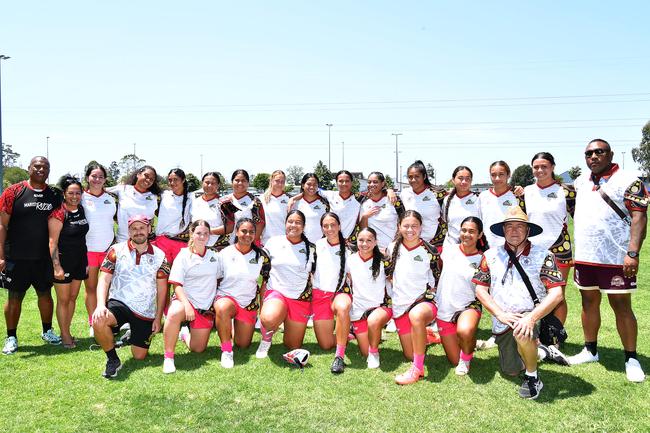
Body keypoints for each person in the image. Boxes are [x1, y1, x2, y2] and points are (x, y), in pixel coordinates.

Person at [568, 139, 648, 383]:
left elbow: (639, 218)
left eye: (599, 152)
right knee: (588, 302)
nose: (593, 156)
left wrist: (632, 252)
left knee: (621, 306)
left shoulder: (628, 180)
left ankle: (631, 358)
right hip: (586, 256)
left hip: (615, 257)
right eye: (589, 153)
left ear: (610, 154)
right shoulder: (580, 182)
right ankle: (590, 350)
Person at [473, 206, 564, 399]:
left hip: (531, 316)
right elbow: (480, 289)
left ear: (528, 230)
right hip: (503, 320)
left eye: (520, 227)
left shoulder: (544, 255)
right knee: (511, 370)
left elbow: (556, 294)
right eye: (509, 227)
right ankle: (540, 352)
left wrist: (530, 318)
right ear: (503, 230)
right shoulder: (490, 255)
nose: (514, 231)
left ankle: (533, 377)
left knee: (523, 332)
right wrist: (500, 314)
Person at [92, 215, 169, 379]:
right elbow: (104, 279)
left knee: (139, 356)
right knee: (98, 319)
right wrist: (100, 305)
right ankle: (113, 359)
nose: (138, 231)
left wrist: (157, 318)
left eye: (142, 228)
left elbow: (162, 290)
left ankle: (131, 336)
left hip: (144, 310)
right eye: (134, 228)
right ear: (129, 231)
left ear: (149, 229)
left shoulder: (160, 256)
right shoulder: (116, 250)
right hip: (119, 302)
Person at [1, 156, 63, 355]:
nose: (41, 169)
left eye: (45, 167)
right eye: (37, 166)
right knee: (14, 297)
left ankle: (47, 331)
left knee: (45, 295)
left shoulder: (54, 194)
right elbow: (2, 225)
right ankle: (11, 337)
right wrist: (1, 255)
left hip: (43, 257)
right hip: (17, 257)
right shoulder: (13, 192)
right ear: (28, 168)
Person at [386, 210, 442, 385]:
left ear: (421, 227)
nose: (410, 230)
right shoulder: (392, 247)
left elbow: (438, 279)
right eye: (406, 225)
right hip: (401, 305)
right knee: (409, 354)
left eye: (414, 226)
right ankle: (428, 335)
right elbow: (388, 275)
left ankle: (417, 369)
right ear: (399, 226)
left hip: (423, 302)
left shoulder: (430, 250)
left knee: (416, 317)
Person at [523, 152, 575, 325]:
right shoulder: (526, 192)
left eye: (544, 166)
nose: (540, 170)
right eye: (536, 167)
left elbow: (581, 219)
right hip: (532, 249)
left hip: (559, 248)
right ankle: (537, 332)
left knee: (557, 295)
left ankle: (555, 338)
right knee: (535, 292)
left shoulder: (567, 191)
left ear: (552, 167)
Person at [163, 220, 221, 373]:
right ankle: (168, 357)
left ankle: (184, 334)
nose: (202, 237)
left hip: (204, 307)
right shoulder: (183, 255)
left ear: (209, 236)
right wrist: (187, 306)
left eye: (205, 234)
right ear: (191, 234)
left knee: (198, 349)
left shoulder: (214, 256)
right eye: (198, 233)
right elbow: (177, 285)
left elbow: (220, 278)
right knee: (174, 312)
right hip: (185, 302)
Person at [255, 210, 316, 358]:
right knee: (269, 318)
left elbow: (314, 277)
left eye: (298, 222)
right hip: (277, 293)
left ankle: (286, 321)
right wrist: (262, 310)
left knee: (293, 345)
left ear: (304, 226)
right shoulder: (274, 242)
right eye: (290, 221)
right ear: (285, 223)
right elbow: (264, 274)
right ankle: (266, 339)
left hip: (299, 298)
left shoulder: (312, 248)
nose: (293, 225)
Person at [214, 218, 270, 368]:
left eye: (251, 232)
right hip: (227, 297)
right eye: (244, 231)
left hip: (248, 303)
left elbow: (264, 283)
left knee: (243, 344)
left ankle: (230, 325)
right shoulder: (224, 253)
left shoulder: (261, 256)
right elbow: (216, 279)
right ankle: (226, 351)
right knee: (223, 308)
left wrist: (262, 310)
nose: (248, 234)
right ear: (237, 232)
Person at [435, 217, 486, 375]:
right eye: (464, 230)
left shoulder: (484, 259)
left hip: (468, 306)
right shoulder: (448, 250)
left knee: (464, 332)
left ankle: (467, 349)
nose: (466, 234)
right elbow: (437, 268)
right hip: (445, 309)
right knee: (454, 360)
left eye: (472, 231)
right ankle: (470, 342)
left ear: (479, 235)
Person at [48, 175, 89, 349]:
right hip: (63, 262)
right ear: (64, 194)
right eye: (71, 193)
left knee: (72, 298)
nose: (75, 196)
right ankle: (64, 335)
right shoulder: (58, 213)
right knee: (63, 300)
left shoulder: (81, 209)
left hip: (80, 260)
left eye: (78, 193)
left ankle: (68, 330)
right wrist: (57, 266)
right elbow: (52, 242)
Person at [311, 213, 352, 374]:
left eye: (333, 225)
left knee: (343, 308)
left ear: (339, 226)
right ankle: (347, 332)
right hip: (319, 296)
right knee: (325, 344)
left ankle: (339, 356)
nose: (329, 229)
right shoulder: (318, 244)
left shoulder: (349, 249)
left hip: (339, 294)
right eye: (325, 226)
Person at [347, 227, 392, 369]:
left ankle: (374, 352)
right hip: (359, 310)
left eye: (369, 240)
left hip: (380, 307)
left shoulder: (384, 260)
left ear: (375, 242)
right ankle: (371, 335)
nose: (364, 244)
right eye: (361, 240)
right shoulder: (350, 260)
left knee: (373, 322)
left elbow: (392, 280)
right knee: (363, 351)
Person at [82, 163, 117, 337]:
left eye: (100, 177)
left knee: (108, 289)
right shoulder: (80, 196)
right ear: (88, 177)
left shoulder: (110, 198)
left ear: (105, 179)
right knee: (90, 288)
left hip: (108, 250)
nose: (97, 180)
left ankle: (107, 320)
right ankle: (92, 322)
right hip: (88, 250)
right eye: (94, 176)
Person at [107, 165, 161, 243]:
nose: (148, 180)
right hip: (123, 241)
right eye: (146, 176)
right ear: (138, 174)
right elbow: (100, 190)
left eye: (151, 179)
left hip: (144, 243)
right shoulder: (123, 189)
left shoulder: (155, 196)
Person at [401, 160, 446, 244]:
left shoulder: (438, 193)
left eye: (417, 176)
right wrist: (388, 190)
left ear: (424, 176)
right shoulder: (404, 194)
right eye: (410, 177)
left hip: (435, 242)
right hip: (411, 241)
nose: (413, 180)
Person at [154, 168, 193, 264]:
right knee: (162, 274)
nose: (172, 182)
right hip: (162, 240)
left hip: (181, 242)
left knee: (178, 275)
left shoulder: (191, 198)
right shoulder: (163, 195)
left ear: (183, 180)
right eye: (170, 180)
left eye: (175, 179)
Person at [479, 161, 520, 249]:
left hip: (511, 247)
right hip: (487, 247)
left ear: (508, 175)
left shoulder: (516, 196)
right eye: (493, 175)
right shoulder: (482, 196)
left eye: (501, 174)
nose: (497, 178)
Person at [218, 169, 265, 248]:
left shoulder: (254, 201)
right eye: (237, 180)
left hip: (246, 245)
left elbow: (260, 224)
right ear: (232, 182)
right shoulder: (223, 200)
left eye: (243, 180)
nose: (240, 183)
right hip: (225, 245)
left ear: (248, 183)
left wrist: (250, 243)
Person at [359, 171, 405, 252]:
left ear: (383, 183)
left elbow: (403, 221)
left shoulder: (393, 199)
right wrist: (365, 216)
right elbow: (363, 229)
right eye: (369, 182)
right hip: (372, 249)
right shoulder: (363, 202)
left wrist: (395, 243)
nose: (372, 184)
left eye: (375, 182)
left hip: (393, 247)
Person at [441, 166, 481, 251]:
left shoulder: (479, 199)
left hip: (472, 250)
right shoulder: (447, 200)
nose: (464, 182)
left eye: (467, 179)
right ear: (453, 180)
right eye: (460, 178)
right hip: (450, 249)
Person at [289, 173, 330, 244]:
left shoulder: (325, 203)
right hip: (299, 244)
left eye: (315, 185)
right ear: (302, 185)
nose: (312, 187)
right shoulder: (294, 203)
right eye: (309, 184)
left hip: (321, 245)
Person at [190, 172, 226, 248]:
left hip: (217, 246)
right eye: (207, 182)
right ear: (202, 183)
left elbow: (229, 227)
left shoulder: (224, 203)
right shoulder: (194, 202)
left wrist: (206, 232)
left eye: (213, 183)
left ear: (218, 185)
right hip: (196, 246)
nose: (209, 185)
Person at [261, 170, 291, 245]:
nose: (280, 184)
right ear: (271, 181)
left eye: (282, 181)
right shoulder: (261, 199)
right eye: (277, 181)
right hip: (266, 242)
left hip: (285, 242)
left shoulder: (289, 199)